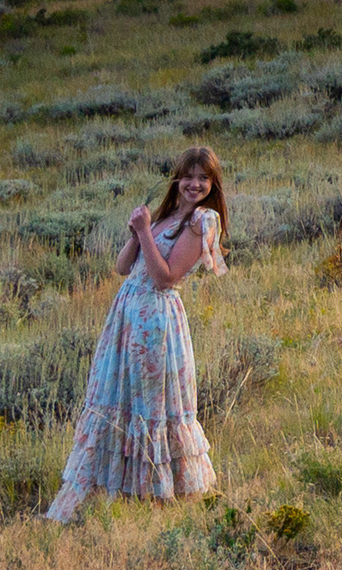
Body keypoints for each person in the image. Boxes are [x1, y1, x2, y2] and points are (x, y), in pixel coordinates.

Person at [46, 143, 228, 523]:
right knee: (116, 400)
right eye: (189, 176)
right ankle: (113, 498)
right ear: (177, 178)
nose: (195, 184)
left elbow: (166, 277)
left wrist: (146, 231)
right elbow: (122, 266)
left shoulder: (202, 221)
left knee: (151, 407)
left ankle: (157, 500)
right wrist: (137, 231)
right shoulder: (165, 216)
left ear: (213, 183)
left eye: (203, 178)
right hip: (126, 319)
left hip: (156, 324)